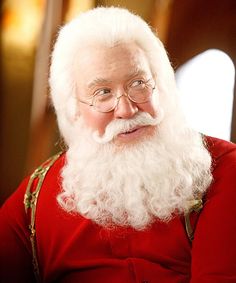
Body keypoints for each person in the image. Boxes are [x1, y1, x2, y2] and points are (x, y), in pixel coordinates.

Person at [0, 6, 236, 283]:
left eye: (138, 83)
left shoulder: (224, 170)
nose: (126, 109)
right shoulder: (34, 196)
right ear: (73, 108)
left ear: (162, 85)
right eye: (103, 93)